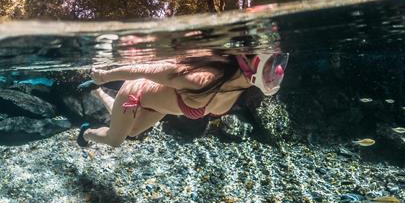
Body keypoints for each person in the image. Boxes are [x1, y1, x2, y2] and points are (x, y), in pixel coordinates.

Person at [77, 51, 289, 148]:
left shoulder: (238, 90)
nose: (278, 71)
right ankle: (86, 133)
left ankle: (99, 93)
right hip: (136, 93)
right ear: (252, 64)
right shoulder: (201, 80)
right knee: (116, 140)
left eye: (276, 63)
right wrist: (104, 76)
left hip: (157, 107)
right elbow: (145, 69)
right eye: (271, 64)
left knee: (132, 131)